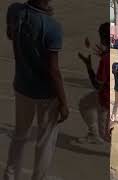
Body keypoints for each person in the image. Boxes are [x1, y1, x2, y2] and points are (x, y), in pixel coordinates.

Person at [4, 1, 69, 180]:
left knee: (19, 136)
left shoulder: (14, 10)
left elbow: (10, 35)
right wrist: (63, 102)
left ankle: (10, 176)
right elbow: (53, 70)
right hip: (46, 93)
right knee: (45, 143)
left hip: (22, 86)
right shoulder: (53, 27)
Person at [77, 22, 111, 144]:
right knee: (85, 102)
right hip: (107, 95)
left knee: (105, 135)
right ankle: (93, 134)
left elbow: (97, 85)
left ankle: (98, 136)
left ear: (103, 38)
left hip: (105, 99)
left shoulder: (106, 59)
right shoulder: (110, 55)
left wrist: (88, 66)